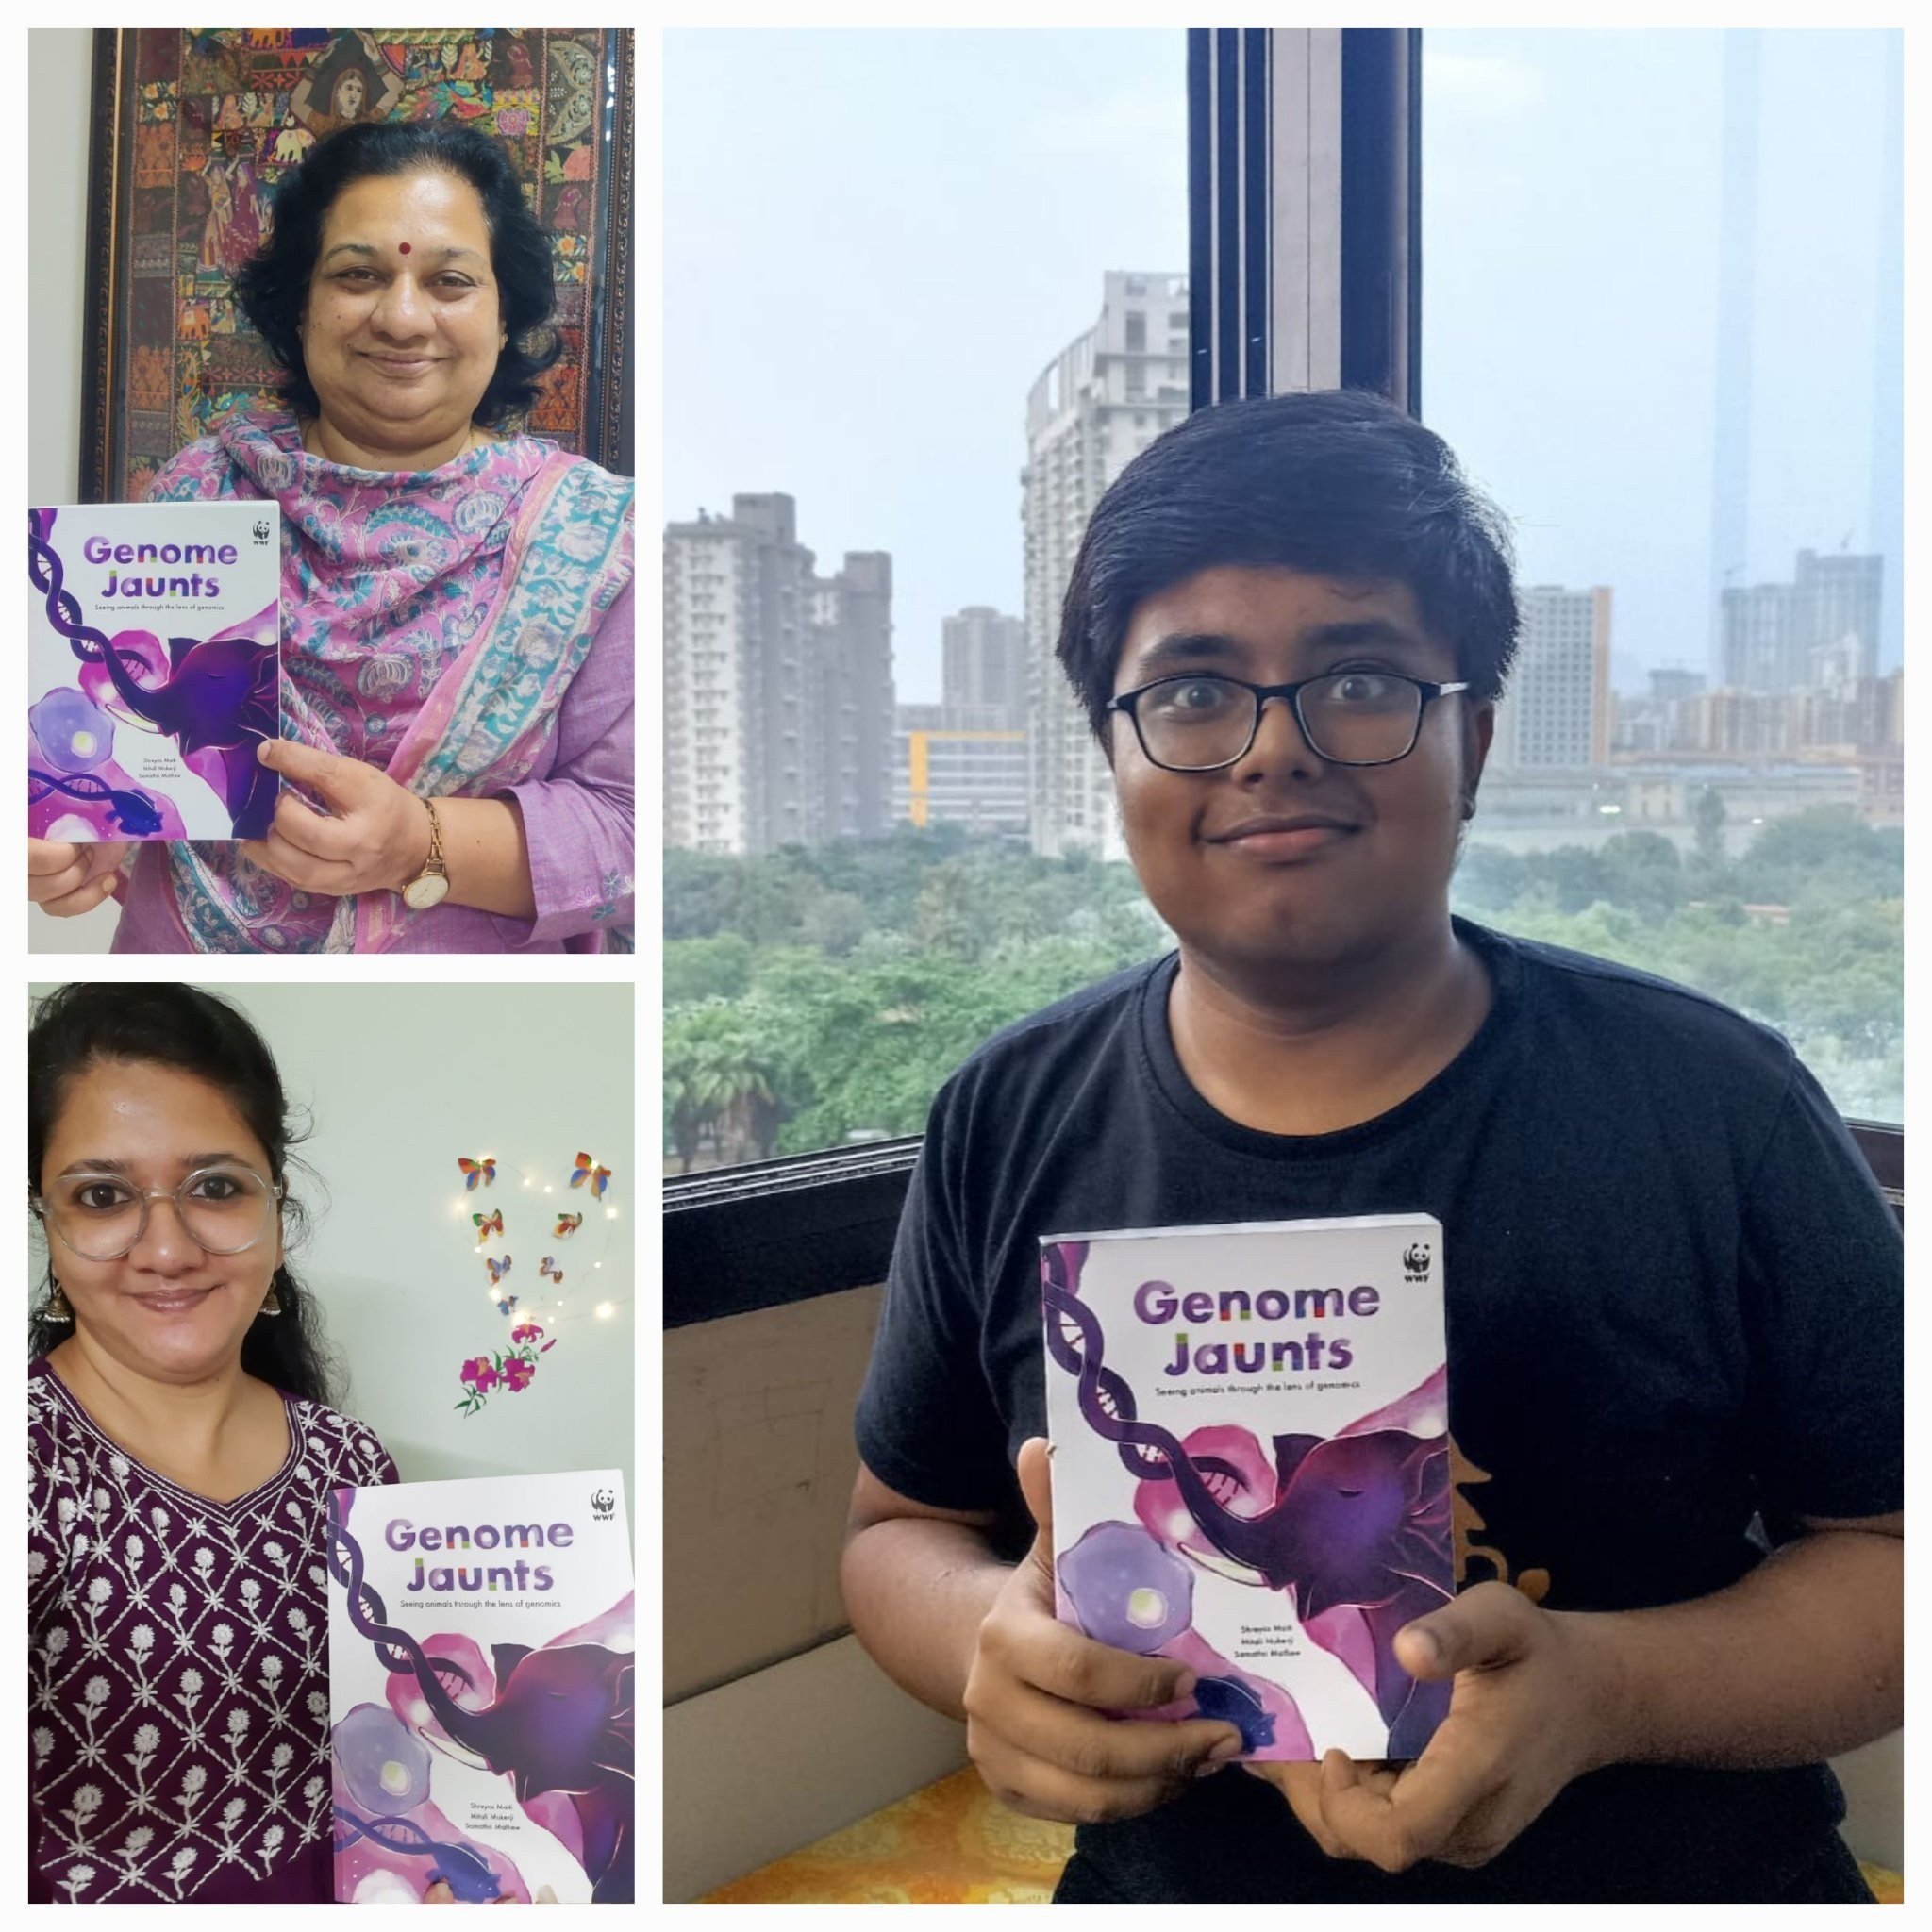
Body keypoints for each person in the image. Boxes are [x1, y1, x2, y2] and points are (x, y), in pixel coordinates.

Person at [841, 390, 1902, 1904]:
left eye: (1358, 678)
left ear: (1471, 738)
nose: (1273, 751)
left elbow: (1892, 1551)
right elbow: (901, 1529)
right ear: (1114, 755)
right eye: (1194, 692)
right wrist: (985, 1652)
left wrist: (1606, 1693)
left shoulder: (1717, 1103)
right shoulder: (1005, 1116)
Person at [27, 121, 633, 954]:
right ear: (300, 308)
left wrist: (418, 842)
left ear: (504, 319)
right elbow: (138, 747)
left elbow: (635, 834)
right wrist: (86, 830)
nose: (403, 316)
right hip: (175, 986)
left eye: (449, 280)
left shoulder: (592, 537)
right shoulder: (199, 495)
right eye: (359, 275)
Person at [28, 983, 400, 1903]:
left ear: (278, 1212)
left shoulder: (352, 1464)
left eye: (217, 1187)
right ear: (48, 1219)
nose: (166, 1247)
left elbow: (392, 1753)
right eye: (104, 1194)